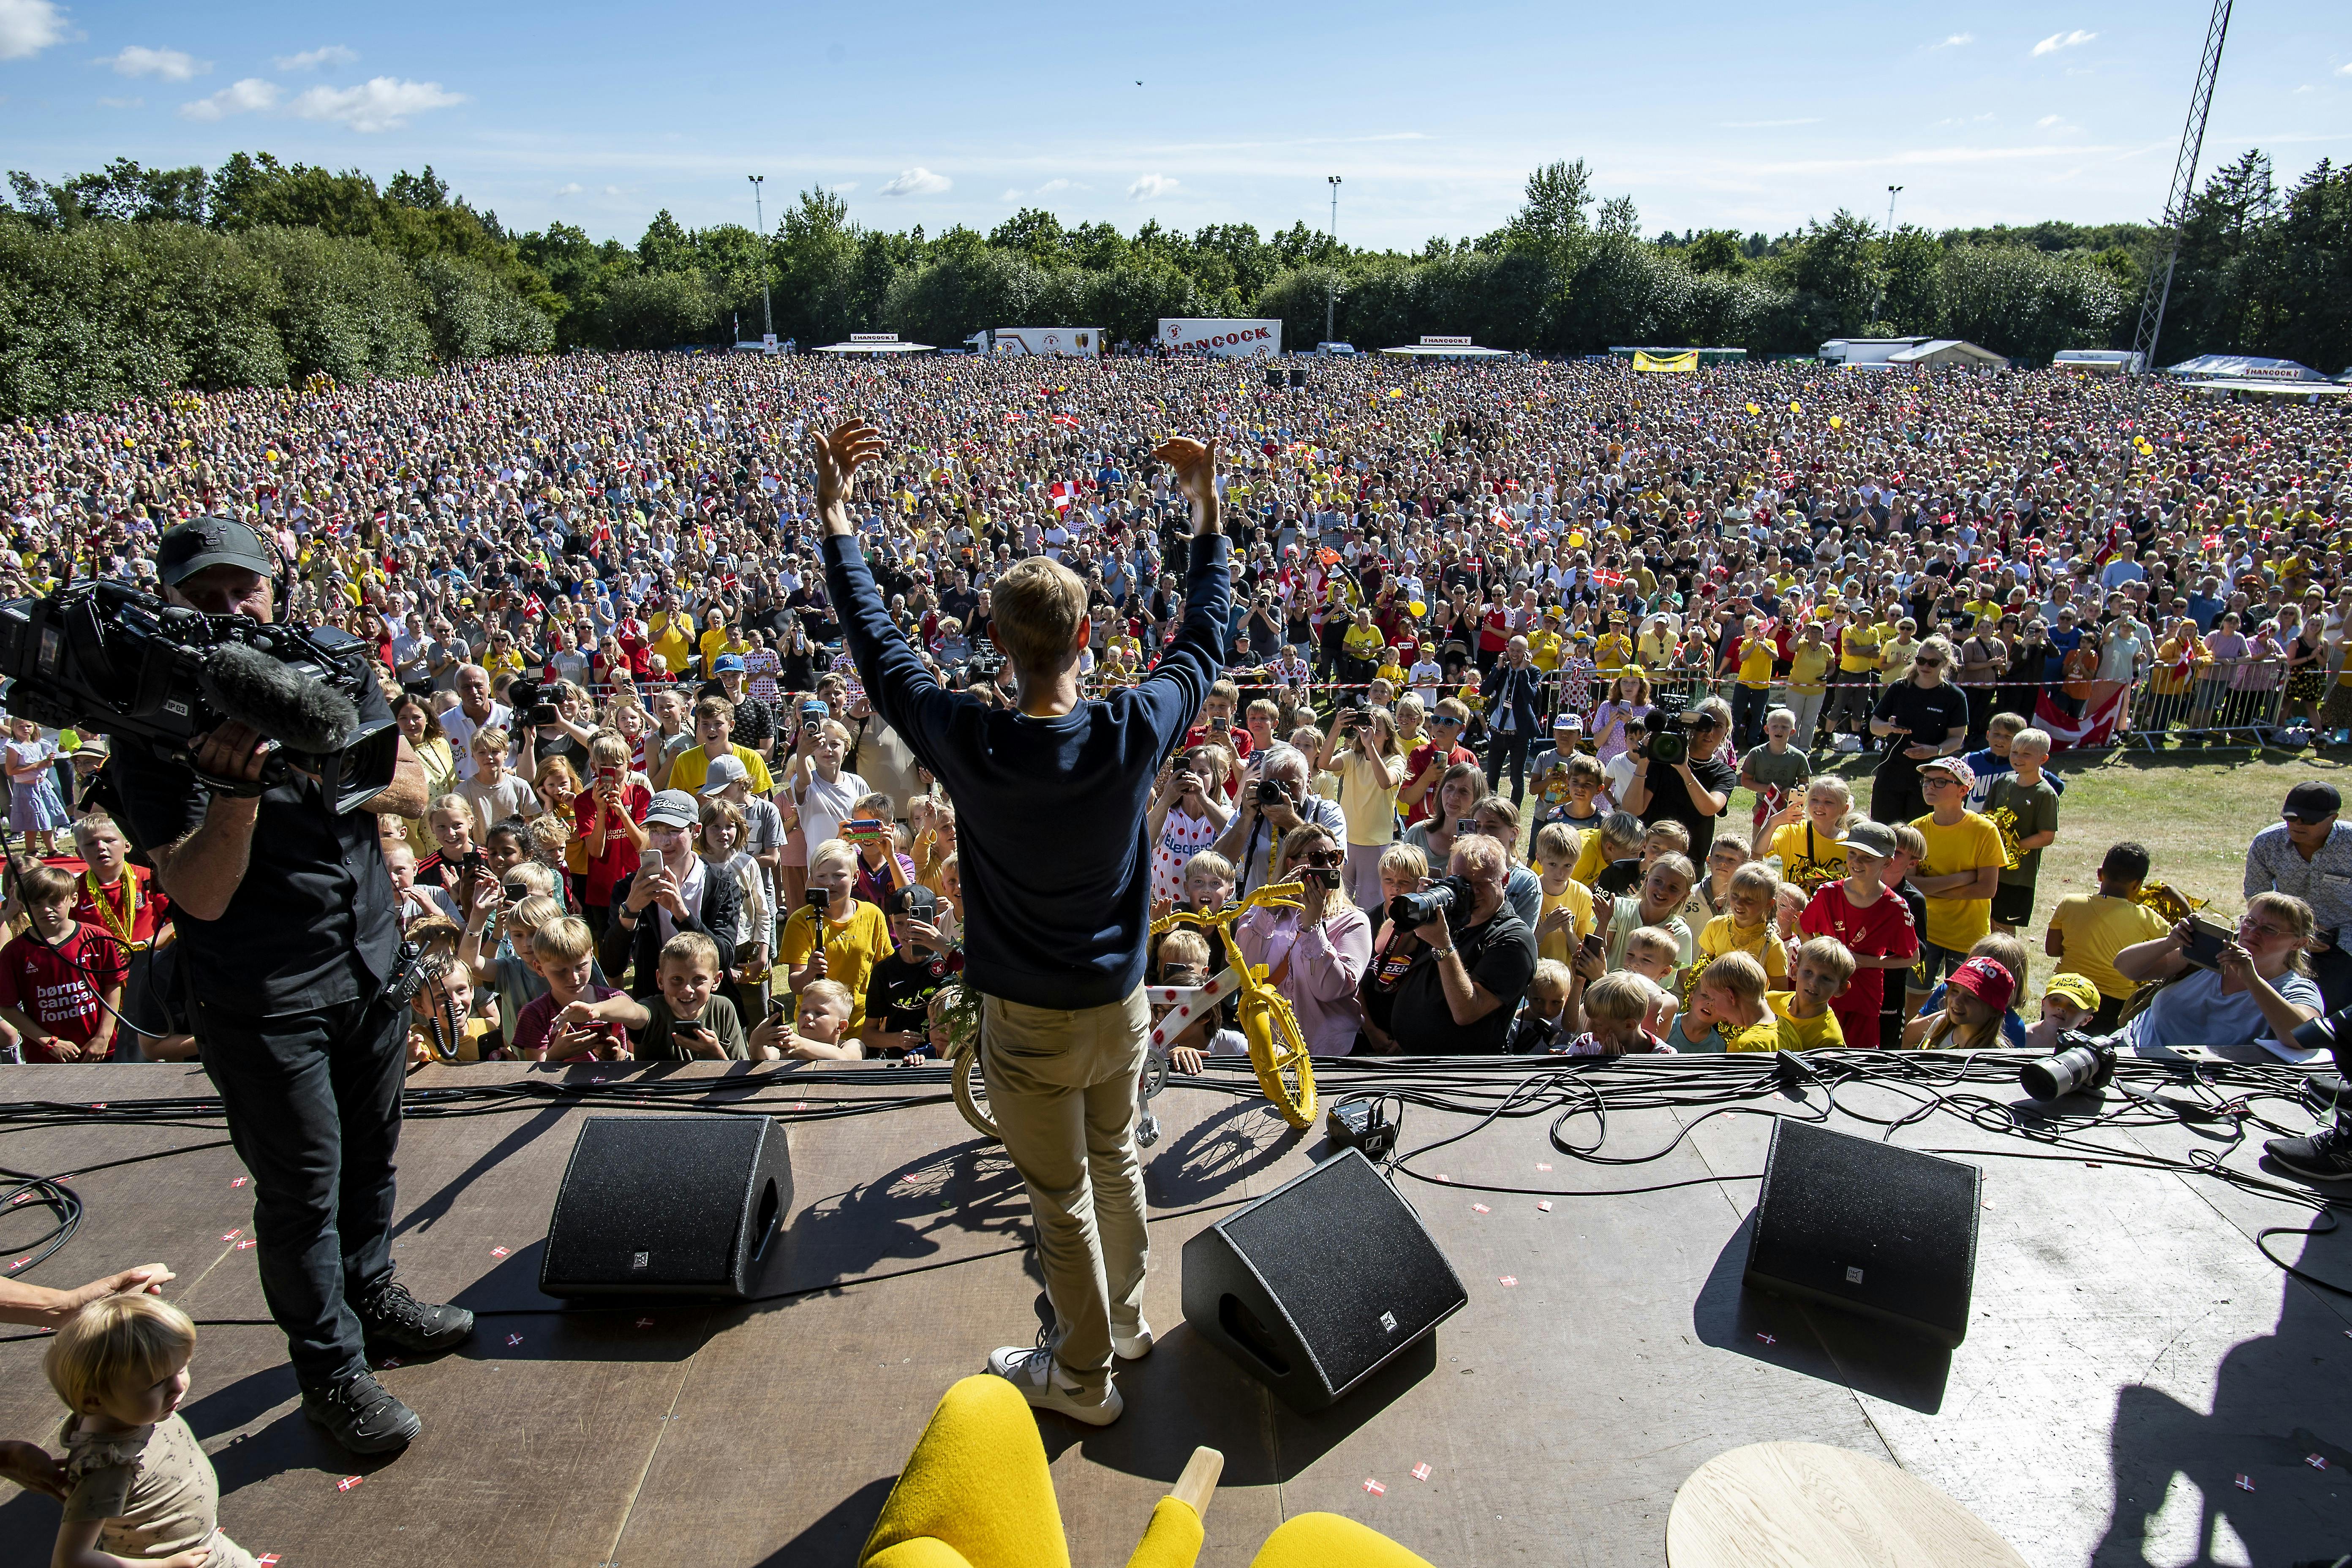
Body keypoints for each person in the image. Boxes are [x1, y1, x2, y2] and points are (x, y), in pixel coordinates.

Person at [819, 420, 1230, 1427]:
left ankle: (1082, 1378)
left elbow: (880, 651)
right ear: (1086, 638)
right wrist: (1204, 507)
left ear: (994, 641)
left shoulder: (969, 736)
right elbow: (1205, 634)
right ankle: (1125, 1326)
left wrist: (835, 519)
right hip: (1120, 1004)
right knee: (1118, 1163)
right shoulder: (1136, 725)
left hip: (1028, 1020)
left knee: (1061, 1201)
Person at [103, 517, 462, 1456]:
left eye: (244, 588)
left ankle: (373, 1296)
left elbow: (415, 791)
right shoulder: (152, 729)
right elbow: (198, 891)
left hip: (368, 961)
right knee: (302, 1186)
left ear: (274, 590)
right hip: (263, 993)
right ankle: (332, 1373)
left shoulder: (333, 660)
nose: (231, 608)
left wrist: (320, 755)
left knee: (373, 1158)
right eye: (205, 593)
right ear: (170, 602)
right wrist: (239, 793)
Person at [41, 1293, 264, 1568]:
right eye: (157, 1383)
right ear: (94, 1400)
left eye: (182, 1368)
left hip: (204, 1546)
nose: (179, 1387)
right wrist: (163, 1567)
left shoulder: (130, 1411)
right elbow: (70, 1561)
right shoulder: (109, 1463)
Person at [1379, 834, 1536, 1054]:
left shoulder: (1514, 939)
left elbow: (1467, 1012)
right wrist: (1419, 906)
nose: (1472, 893)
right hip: (1408, 1055)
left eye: (1482, 884)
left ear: (1505, 880)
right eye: (1463, 883)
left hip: (1459, 1070)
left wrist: (1443, 946)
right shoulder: (1450, 911)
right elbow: (1383, 947)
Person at [1233, 822, 1372, 1057]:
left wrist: (1312, 926)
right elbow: (1247, 966)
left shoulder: (1353, 921)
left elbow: (1331, 989)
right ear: (1292, 864)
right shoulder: (1261, 913)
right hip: (1274, 1050)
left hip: (1330, 1052)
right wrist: (1272, 905)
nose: (1328, 866)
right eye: (1318, 858)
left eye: (1335, 858)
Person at [599, 789, 742, 1004]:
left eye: (674, 831)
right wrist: (630, 912)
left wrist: (683, 915)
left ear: (696, 831)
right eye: (655, 831)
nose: (664, 841)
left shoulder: (722, 884)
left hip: (711, 1005)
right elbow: (612, 965)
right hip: (653, 1007)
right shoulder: (630, 888)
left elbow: (725, 957)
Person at [1797, 820, 1919, 1050]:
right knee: (1813, 1054)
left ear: (1888, 862)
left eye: (1868, 858)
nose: (1856, 862)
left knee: (1856, 1059)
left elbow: (1912, 957)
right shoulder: (1828, 893)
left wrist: (1864, 962)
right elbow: (1803, 927)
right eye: (1852, 853)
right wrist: (1819, 958)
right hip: (1821, 991)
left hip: (1864, 996)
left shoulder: (1896, 907)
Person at [1905, 757, 2005, 1018]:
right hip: (1925, 932)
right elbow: (1909, 883)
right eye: (1927, 781)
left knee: (1964, 1003)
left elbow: (1986, 889)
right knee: (1915, 998)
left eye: (1940, 782)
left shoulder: (1985, 831)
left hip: (1967, 935)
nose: (1930, 787)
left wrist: (1930, 888)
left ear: (1963, 790)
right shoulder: (1917, 829)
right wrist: (1960, 879)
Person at [0, 862, 125, 1062]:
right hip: (46, 1056)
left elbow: (113, 985)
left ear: (73, 899)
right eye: (36, 903)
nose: (46, 909)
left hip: (100, 1049)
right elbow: (6, 1006)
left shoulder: (98, 938)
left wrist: (103, 1037)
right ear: (23, 906)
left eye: (55, 901)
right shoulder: (13, 953)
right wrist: (48, 1042)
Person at [2243, 781, 2352, 1012]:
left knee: (2329, 1003)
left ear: (2333, 818)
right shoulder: (2267, 843)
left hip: (2346, 938)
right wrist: (2298, 932)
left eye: (2309, 820)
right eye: (2291, 817)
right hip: (2283, 932)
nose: (2298, 824)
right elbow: (2256, 894)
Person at [2045, 842, 2172, 1032]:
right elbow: (2186, 938)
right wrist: (2178, 900)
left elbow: (2052, 950)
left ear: (2100, 874)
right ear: (2138, 885)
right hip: (2115, 1004)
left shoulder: (2070, 903)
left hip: (2065, 994)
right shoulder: (2146, 917)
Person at [1621, 694, 1739, 862]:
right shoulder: (1662, 761)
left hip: (1691, 859)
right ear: (1693, 725)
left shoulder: (1723, 773)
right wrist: (1643, 762)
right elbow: (1633, 809)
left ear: (1726, 731)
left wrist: (1684, 769)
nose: (1710, 732)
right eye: (1705, 725)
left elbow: (1709, 808)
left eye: (1718, 726)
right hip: (1653, 857)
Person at [1868, 633, 1970, 826]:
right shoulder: (1899, 688)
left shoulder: (1955, 697)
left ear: (1945, 664)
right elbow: (1874, 726)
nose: (1925, 666)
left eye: (1933, 663)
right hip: (1892, 770)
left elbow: (1957, 739)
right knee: (1883, 830)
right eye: (1921, 660)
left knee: (1919, 835)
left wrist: (1935, 750)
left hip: (1931, 777)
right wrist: (1889, 727)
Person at [1983, 727, 2059, 936]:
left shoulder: (2045, 794)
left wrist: (2012, 847)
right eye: (2015, 752)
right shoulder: (2002, 784)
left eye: (2027, 754)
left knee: (2004, 928)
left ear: (2043, 759)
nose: (2018, 758)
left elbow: (2047, 836)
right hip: (1990, 868)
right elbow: (1984, 817)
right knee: (1985, 919)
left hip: (2018, 875)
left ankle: (2007, 965)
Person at [1480, 634, 1547, 805]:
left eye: (1519, 651)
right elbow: (1485, 691)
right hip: (1498, 731)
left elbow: (1528, 697)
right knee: (1492, 777)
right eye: (1512, 650)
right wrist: (1498, 668)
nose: (1515, 654)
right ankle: (1491, 809)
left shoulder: (1533, 671)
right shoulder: (1502, 668)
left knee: (1516, 778)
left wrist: (1523, 671)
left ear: (1527, 653)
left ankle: (1514, 811)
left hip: (1519, 735)